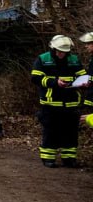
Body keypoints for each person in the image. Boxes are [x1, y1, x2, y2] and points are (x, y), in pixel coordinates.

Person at [32, 35, 86, 167]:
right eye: (59, 51)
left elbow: (82, 75)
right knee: (51, 131)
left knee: (71, 132)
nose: (62, 54)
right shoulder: (43, 59)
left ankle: (69, 158)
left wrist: (84, 82)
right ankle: (48, 158)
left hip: (71, 102)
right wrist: (55, 82)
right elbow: (36, 78)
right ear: (53, 48)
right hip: (51, 103)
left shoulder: (74, 59)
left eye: (65, 52)